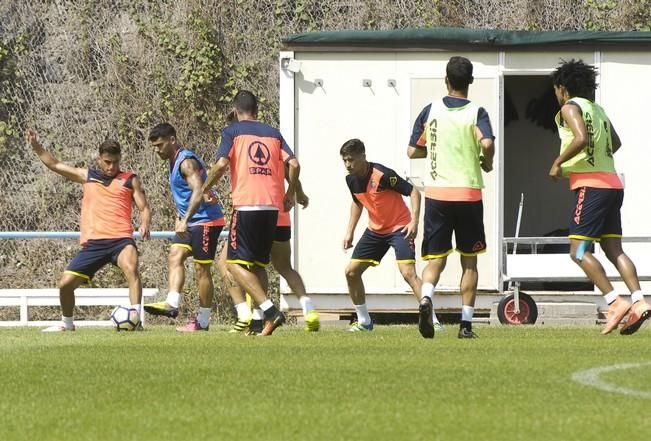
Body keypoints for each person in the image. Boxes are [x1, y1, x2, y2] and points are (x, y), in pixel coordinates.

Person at [549, 59, 650, 335]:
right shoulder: (599, 110)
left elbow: (580, 138)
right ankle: (639, 300)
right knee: (613, 249)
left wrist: (558, 163)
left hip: (591, 188)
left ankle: (614, 301)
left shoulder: (570, 107)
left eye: (556, 90)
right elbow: (615, 143)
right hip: (612, 185)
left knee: (578, 250)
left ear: (563, 88)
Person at [25, 128, 151, 332]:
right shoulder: (88, 176)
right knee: (65, 284)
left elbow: (144, 207)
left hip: (121, 240)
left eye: (116, 162)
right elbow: (54, 164)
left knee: (131, 267)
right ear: (100, 159)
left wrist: (145, 223)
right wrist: (36, 146)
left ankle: (136, 321)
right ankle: (67, 324)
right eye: (108, 162)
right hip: (94, 244)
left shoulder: (129, 179)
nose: (112, 167)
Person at [407, 56, 495, 339]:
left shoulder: (429, 110)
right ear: (470, 82)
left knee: (436, 259)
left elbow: (412, 151)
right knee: (469, 262)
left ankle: (426, 298)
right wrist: (487, 161)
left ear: (446, 80)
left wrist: (433, 151)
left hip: (437, 195)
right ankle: (466, 325)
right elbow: (487, 143)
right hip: (468, 194)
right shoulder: (477, 111)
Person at [202, 90, 299, 336]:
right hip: (272, 208)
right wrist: (291, 192)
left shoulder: (232, 131)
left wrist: (206, 187)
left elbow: (222, 163)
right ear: (257, 110)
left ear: (236, 110)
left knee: (230, 263)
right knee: (256, 265)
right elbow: (294, 164)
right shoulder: (273, 134)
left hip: (247, 206)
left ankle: (269, 311)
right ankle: (257, 321)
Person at [143, 123, 225, 332]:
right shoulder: (172, 161)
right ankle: (172, 303)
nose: (157, 150)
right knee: (175, 256)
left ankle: (203, 321)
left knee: (201, 269)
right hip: (190, 221)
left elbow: (198, 191)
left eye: (160, 145)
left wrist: (185, 219)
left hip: (206, 220)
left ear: (172, 139)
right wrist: (182, 217)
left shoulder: (186, 162)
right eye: (154, 147)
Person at [217, 176, 320, 335]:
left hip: (258, 211)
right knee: (284, 268)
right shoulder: (279, 151)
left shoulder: (248, 151)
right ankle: (309, 309)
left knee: (227, 262)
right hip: (281, 216)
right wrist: (297, 193)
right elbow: (292, 167)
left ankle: (247, 314)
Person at [340, 138, 422, 332]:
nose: (347, 164)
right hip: (375, 231)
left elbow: (413, 192)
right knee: (351, 272)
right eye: (344, 160)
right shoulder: (350, 179)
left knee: (408, 274)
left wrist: (414, 221)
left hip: (399, 228)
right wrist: (349, 231)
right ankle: (364, 322)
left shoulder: (383, 175)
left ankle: (432, 320)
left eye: (351, 159)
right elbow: (358, 202)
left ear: (363, 156)